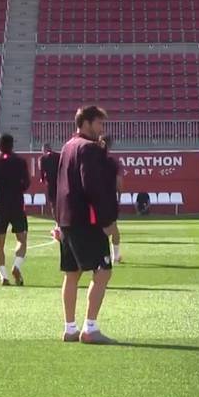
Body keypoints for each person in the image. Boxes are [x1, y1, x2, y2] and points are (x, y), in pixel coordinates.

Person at [56, 106, 118, 345]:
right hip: (86, 220)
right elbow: (92, 186)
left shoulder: (67, 146)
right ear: (88, 123)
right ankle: (90, 328)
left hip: (67, 220)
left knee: (72, 274)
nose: (102, 129)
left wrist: (59, 220)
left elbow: (58, 185)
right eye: (100, 124)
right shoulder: (88, 148)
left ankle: (70, 328)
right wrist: (107, 220)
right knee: (103, 271)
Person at [0, 133, 31, 286]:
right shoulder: (20, 162)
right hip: (17, 205)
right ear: (12, 145)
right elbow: (26, 184)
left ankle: (3, 276)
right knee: (22, 240)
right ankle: (16, 266)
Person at [99, 134, 124, 264]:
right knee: (111, 227)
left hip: (95, 198)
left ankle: (116, 256)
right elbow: (119, 182)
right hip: (109, 199)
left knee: (113, 228)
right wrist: (119, 195)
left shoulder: (93, 160)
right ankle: (110, 256)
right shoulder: (114, 162)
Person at [39, 143, 60, 221]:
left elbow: (41, 171)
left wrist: (42, 179)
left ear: (44, 149)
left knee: (53, 203)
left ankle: (57, 222)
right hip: (60, 182)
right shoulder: (58, 156)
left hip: (50, 183)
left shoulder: (43, 158)